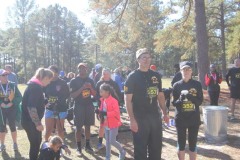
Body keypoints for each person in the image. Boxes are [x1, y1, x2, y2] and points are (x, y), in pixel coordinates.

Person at [124, 48, 169, 160]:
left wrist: (165, 112)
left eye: (148, 57)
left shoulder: (156, 76)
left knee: (156, 149)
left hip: (155, 117)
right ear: (138, 60)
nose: (146, 60)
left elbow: (160, 95)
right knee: (140, 150)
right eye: (143, 57)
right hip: (139, 118)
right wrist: (132, 119)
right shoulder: (132, 77)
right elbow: (127, 100)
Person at [172, 61, 203, 160]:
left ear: (191, 71)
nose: (186, 71)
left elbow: (199, 102)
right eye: (184, 69)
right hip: (181, 119)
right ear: (180, 71)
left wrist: (191, 97)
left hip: (193, 118)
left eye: (188, 69)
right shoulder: (176, 85)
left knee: (192, 144)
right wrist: (180, 100)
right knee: (181, 144)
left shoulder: (197, 84)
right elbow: (174, 103)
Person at [21, 68, 53, 160]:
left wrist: (45, 102)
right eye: (49, 80)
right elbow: (31, 107)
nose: (49, 83)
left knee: (36, 143)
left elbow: (36, 100)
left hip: (28, 121)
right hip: (30, 122)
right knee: (35, 144)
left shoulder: (35, 86)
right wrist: (38, 124)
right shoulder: (36, 88)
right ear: (46, 78)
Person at [69, 63, 96, 155]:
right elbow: (72, 96)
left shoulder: (90, 80)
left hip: (88, 105)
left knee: (88, 126)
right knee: (78, 127)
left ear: (86, 69)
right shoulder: (74, 81)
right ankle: (79, 148)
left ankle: (87, 145)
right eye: (80, 68)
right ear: (78, 70)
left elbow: (95, 94)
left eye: (83, 68)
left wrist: (90, 87)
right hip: (78, 106)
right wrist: (82, 88)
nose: (82, 70)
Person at [95, 68, 122, 150]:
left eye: (106, 73)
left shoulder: (113, 83)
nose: (105, 75)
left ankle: (115, 140)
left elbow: (118, 95)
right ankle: (100, 142)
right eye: (103, 73)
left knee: (114, 124)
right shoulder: (99, 83)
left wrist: (116, 104)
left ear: (110, 74)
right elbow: (96, 96)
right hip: (102, 107)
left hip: (112, 107)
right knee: (102, 125)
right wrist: (98, 106)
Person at [98, 83, 126, 160]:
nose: (100, 93)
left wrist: (106, 113)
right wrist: (99, 112)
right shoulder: (102, 100)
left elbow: (116, 112)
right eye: (100, 91)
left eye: (102, 91)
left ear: (107, 92)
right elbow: (102, 110)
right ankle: (107, 157)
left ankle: (122, 151)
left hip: (114, 124)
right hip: (106, 124)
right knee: (107, 141)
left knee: (112, 141)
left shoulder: (114, 101)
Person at [44, 65, 70, 141]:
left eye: (53, 71)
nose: (51, 73)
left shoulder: (62, 82)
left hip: (61, 108)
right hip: (49, 108)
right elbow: (42, 94)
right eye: (49, 71)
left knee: (60, 130)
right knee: (49, 130)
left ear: (57, 73)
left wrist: (58, 100)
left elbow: (67, 94)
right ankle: (45, 146)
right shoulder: (47, 82)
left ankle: (60, 147)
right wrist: (45, 102)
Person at [0, 69, 22, 152]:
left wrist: (12, 103)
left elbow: (19, 97)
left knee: (12, 126)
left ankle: (15, 143)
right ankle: (2, 144)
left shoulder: (12, 85)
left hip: (11, 109)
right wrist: (1, 103)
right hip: (1, 110)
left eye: (6, 75)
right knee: (2, 127)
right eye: (3, 75)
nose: (6, 76)